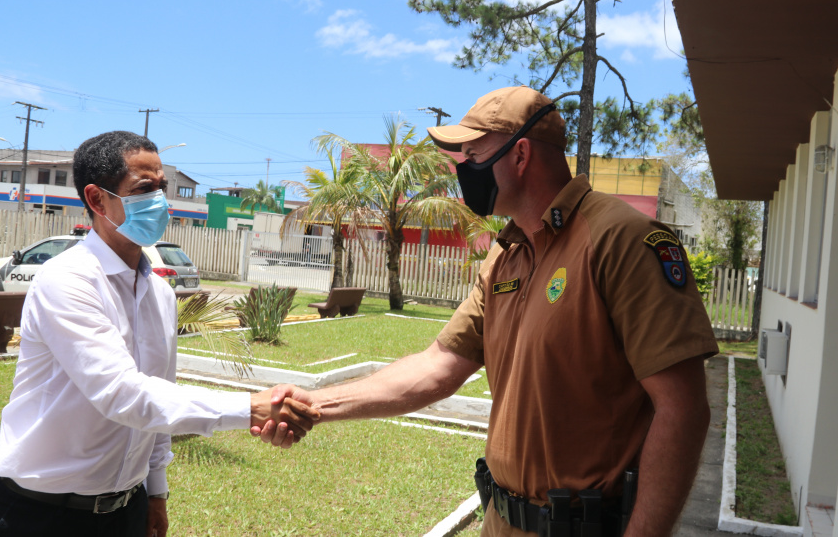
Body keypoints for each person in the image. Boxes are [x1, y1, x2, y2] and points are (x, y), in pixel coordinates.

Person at [258, 86, 719, 536]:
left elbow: (683, 410)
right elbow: (438, 367)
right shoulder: (505, 257)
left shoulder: (621, 241)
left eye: (475, 156)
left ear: (520, 156)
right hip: (500, 520)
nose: (465, 169)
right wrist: (315, 404)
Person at [0, 131, 313, 537]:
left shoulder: (159, 294)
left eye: (162, 187)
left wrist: (156, 492)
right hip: (42, 514)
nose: (161, 201)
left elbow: (160, 395)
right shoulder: (67, 281)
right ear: (97, 200)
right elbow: (124, 395)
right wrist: (250, 408)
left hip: (126, 509)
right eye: (145, 189)